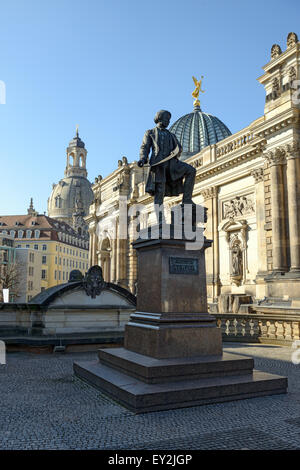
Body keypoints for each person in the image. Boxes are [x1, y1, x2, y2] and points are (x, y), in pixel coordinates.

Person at [138, 110, 196, 208]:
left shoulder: (171, 135)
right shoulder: (150, 133)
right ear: (159, 118)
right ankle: (161, 220)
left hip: (171, 164)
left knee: (191, 170)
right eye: (166, 119)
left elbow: (179, 148)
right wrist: (143, 159)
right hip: (158, 165)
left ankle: (187, 200)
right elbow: (145, 147)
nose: (168, 122)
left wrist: (177, 151)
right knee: (159, 192)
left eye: (169, 120)